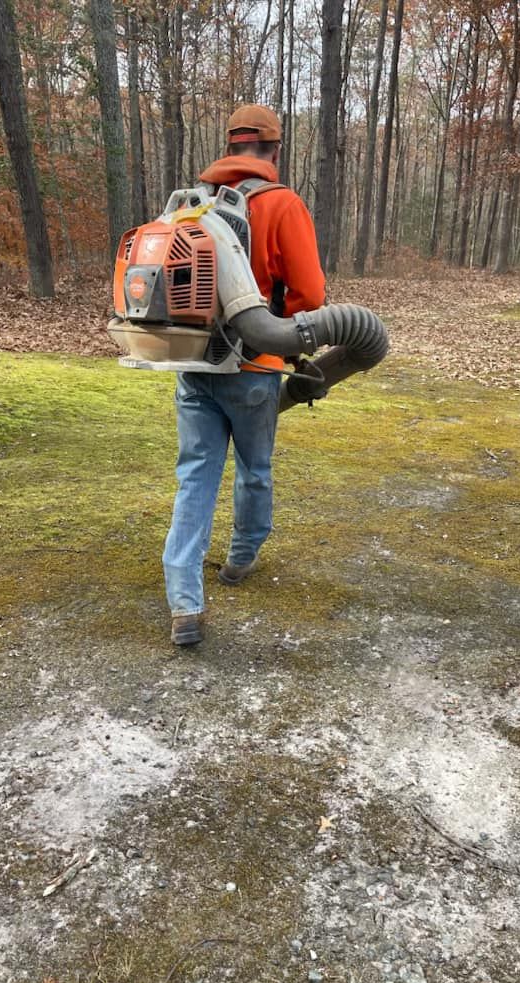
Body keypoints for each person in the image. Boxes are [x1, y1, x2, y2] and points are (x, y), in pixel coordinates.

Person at [163, 104, 326, 646]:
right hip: (255, 366)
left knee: (195, 475)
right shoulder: (282, 205)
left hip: (192, 364)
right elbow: (312, 297)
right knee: (254, 467)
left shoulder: (192, 204)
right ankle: (241, 557)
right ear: (275, 150)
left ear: (230, 146)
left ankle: (184, 601)